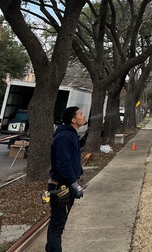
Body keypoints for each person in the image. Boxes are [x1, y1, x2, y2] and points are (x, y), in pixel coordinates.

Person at [45, 106, 86, 252]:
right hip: (60, 187)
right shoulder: (64, 137)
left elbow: (72, 159)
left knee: (59, 222)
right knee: (57, 224)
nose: (84, 115)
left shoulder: (71, 134)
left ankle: (51, 249)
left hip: (66, 185)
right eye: (81, 114)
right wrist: (74, 184)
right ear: (73, 119)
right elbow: (63, 164)